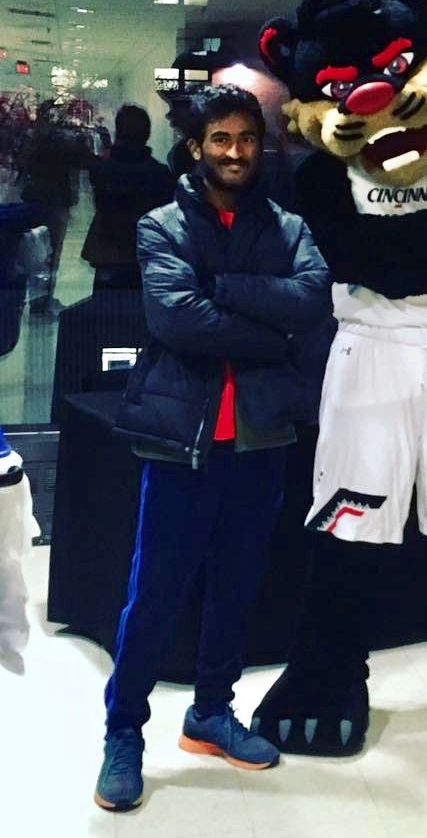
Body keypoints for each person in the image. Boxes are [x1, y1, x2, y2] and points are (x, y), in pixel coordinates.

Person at [94, 84, 330, 812]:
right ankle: (124, 733)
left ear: (260, 145)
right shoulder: (162, 225)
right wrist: (269, 331)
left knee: (236, 585)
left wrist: (224, 286)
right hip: (182, 437)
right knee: (155, 595)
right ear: (196, 146)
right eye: (220, 139)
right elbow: (177, 320)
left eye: (247, 139)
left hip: (260, 438)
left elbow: (313, 299)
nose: (235, 152)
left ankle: (210, 713)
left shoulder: (285, 225)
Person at [82, 104, 176, 290]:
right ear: (147, 133)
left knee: (106, 310)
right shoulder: (159, 173)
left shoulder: (102, 169)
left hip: (108, 253)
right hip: (145, 252)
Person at [16, 99, 95, 316]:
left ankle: (35, 301)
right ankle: (41, 302)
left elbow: (20, 162)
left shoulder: (32, 136)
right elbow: (84, 160)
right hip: (55, 200)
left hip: (33, 197)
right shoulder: (62, 138)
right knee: (50, 253)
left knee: (33, 250)